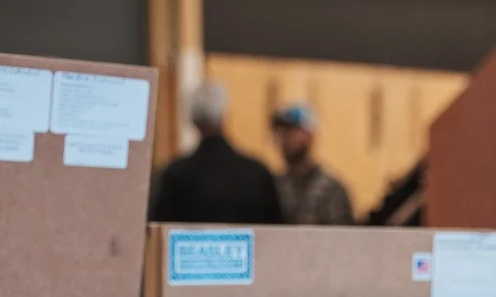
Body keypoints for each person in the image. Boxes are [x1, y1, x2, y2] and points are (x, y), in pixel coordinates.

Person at [150, 80, 282, 225]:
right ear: (226, 115)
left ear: (192, 120)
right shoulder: (258, 174)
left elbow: (159, 230)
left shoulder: (175, 175)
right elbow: (277, 230)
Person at [271, 104, 355, 226]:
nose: (285, 138)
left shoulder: (330, 189)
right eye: (282, 132)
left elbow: (342, 238)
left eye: (293, 131)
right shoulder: (276, 184)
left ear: (310, 134)